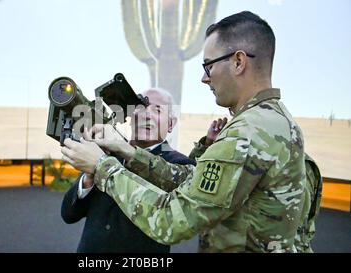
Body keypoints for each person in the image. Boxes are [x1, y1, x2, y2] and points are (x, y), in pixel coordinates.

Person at [61, 11, 307, 252]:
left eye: (208, 66)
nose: (204, 78)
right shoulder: (272, 122)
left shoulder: (247, 133)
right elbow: (191, 180)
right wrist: (124, 150)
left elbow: (172, 220)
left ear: (238, 62)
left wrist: (102, 166)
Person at [60, 88, 195, 253]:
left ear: (171, 124)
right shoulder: (107, 153)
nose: (147, 115)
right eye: (141, 108)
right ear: (130, 119)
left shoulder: (179, 165)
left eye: (157, 110)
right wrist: (88, 177)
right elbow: (68, 214)